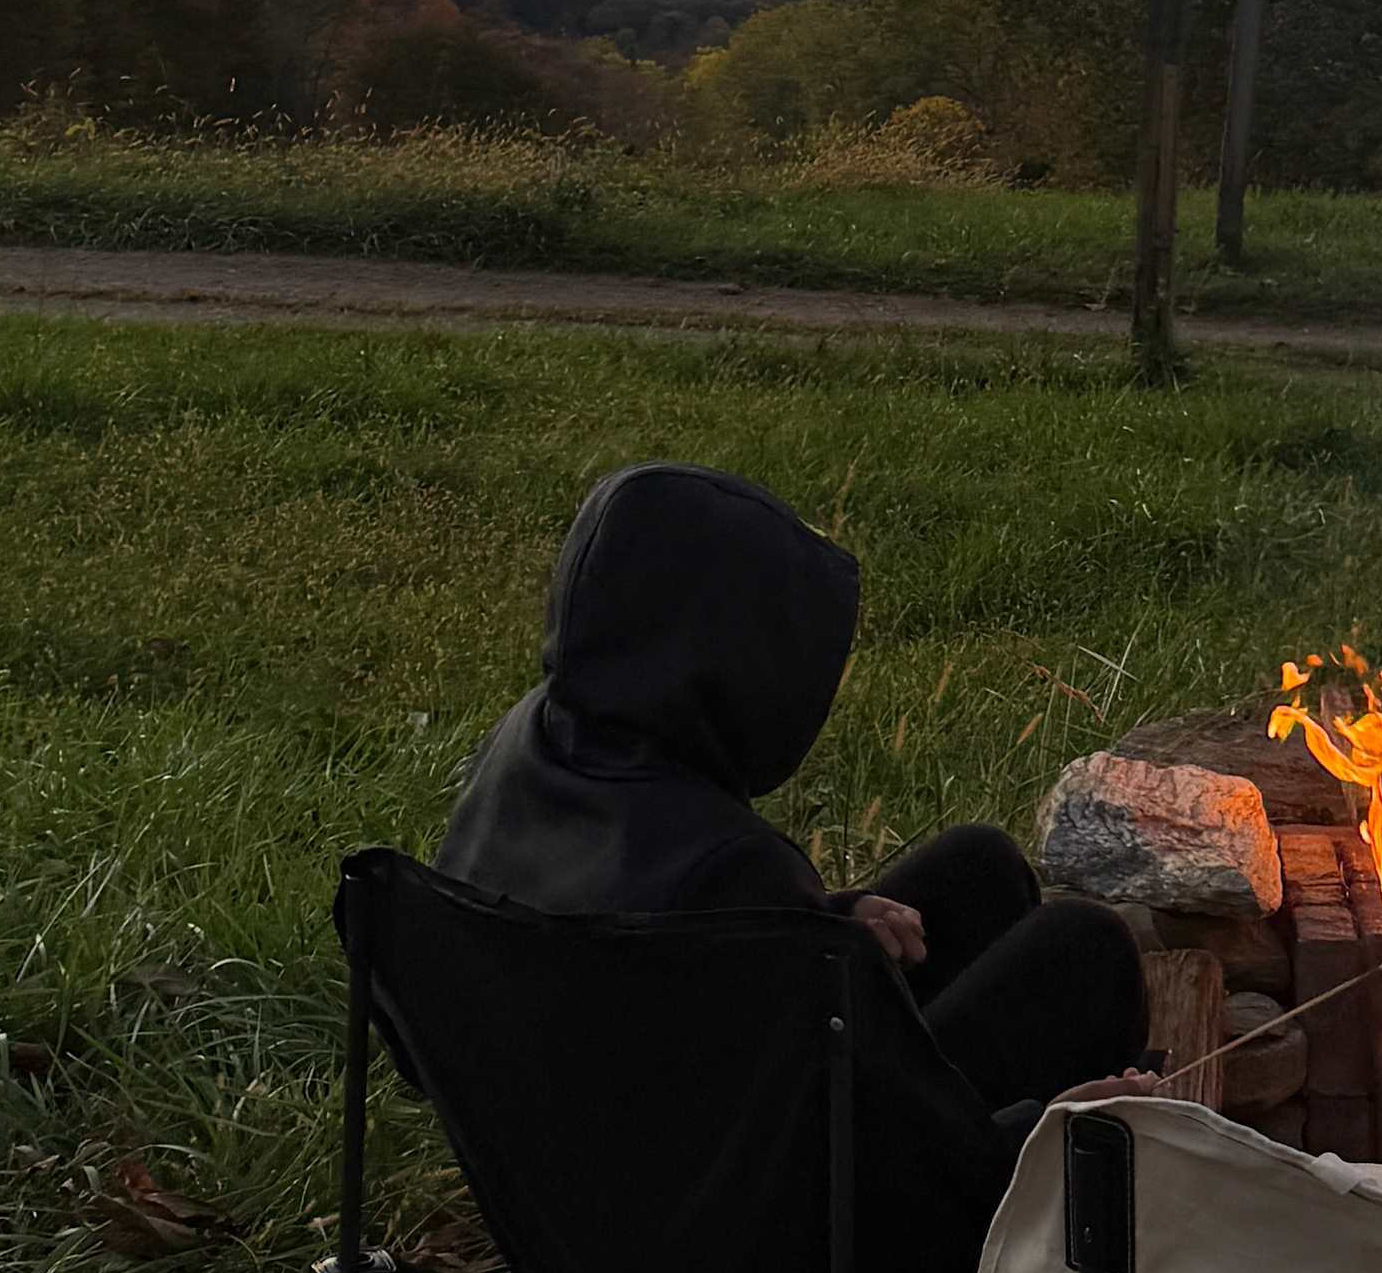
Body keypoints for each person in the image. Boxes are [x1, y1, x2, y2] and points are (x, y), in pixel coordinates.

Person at [437, 458, 1152, 1118]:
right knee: (1082, 947)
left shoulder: (535, 742)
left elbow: (641, 937)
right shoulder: (726, 871)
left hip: (623, 1140)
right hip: (798, 1221)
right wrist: (1051, 1120)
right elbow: (888, 1159)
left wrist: (825, 913)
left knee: (980, 866)